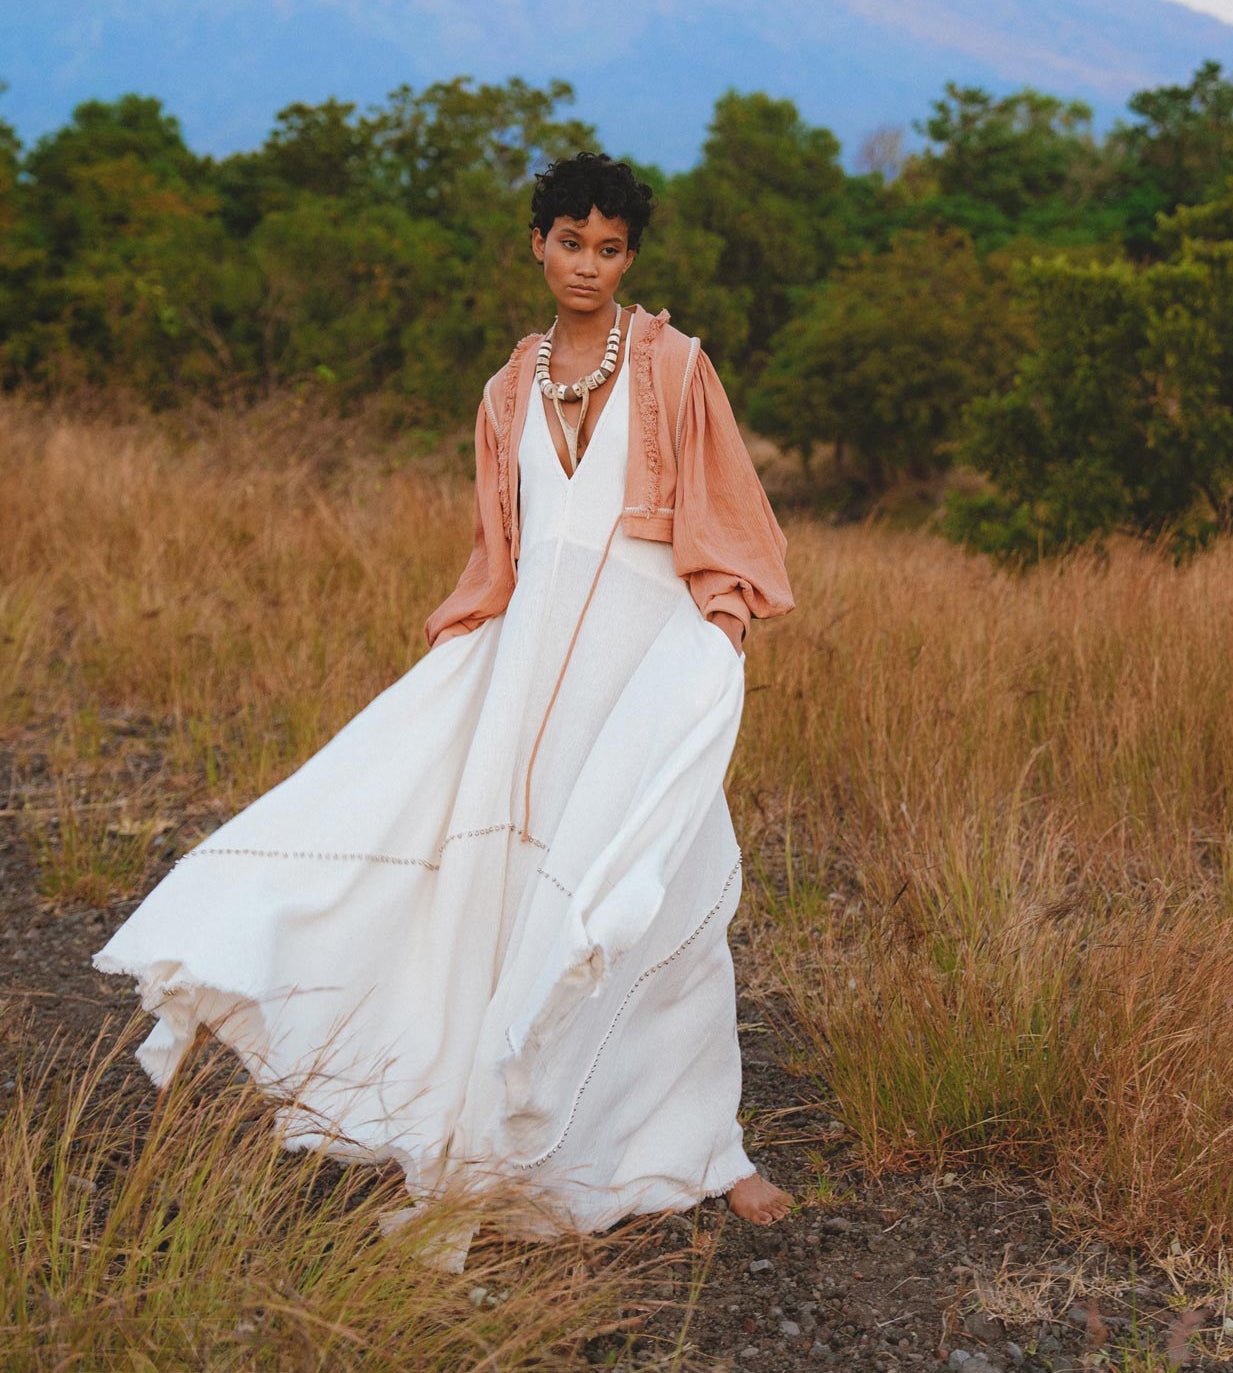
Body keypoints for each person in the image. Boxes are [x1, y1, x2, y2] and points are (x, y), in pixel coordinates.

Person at [92, 151, 796, 1259]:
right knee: (508, 893)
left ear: (631, 257)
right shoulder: (504, 390)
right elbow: (497, 551)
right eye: (571, 241)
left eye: (611, 247)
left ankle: (714, 1148)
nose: (589, 264)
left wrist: (716, 632)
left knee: (664, 892)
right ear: (538, 244)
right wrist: (455, 654)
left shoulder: (674, 367)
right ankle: (513, 1128)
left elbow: (724, 512)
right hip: (529, 677)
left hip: (641, 667)